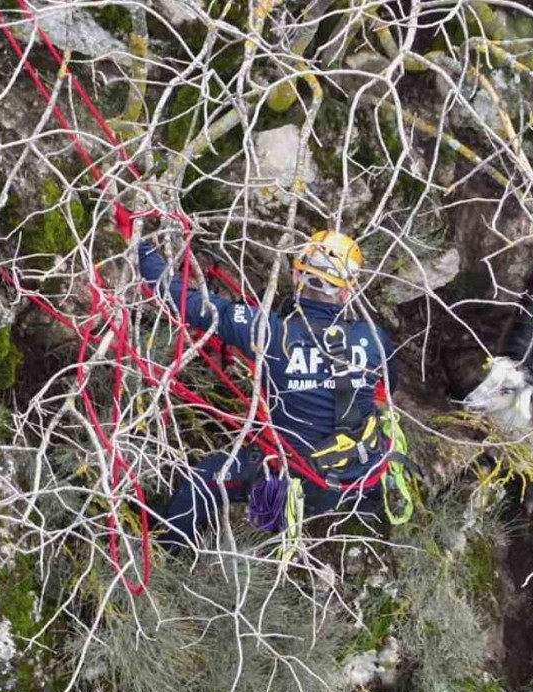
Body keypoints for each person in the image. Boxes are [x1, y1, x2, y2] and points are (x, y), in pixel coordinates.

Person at [138, 225, 399, 547]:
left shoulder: (271, 332)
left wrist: (138, 248)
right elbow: (388, 390)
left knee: (204, 479)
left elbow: (188, 302)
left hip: (301, 480)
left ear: (296, 276)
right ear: (348, 290)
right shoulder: (373, 337)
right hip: (359, 475)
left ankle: (168, 550)